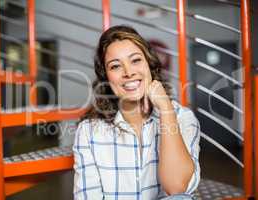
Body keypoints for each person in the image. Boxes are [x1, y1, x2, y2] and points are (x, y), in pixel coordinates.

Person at [73, 25, 200, 200]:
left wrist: (166, 110)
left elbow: (177, 188)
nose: (128, 72)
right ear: (106, 78)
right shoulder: (88, 131)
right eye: (115, 66)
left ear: (150, 64)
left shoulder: (183, 118)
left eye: (135, 60)